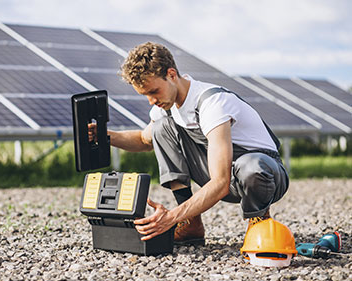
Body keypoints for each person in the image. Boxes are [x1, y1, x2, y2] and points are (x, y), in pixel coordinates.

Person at [88, 42, 289, 246]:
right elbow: (143, 140)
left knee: (251, 167)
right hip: (224, 176)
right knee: (161, 127)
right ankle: (191, 224)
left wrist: (171, 217)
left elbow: (220, 182)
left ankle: (259, 223)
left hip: (265, 175)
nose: (151, 101)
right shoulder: (166, 106)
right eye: (145, 95)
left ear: (172, 74)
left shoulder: (213, 103)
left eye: (154, 91)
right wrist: (105, 136)